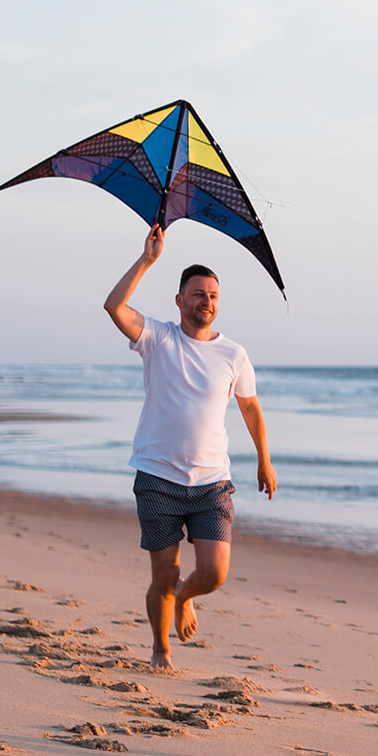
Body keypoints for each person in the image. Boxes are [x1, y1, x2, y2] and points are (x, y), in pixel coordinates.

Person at [105, 224, 277, 672]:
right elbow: (114, 306)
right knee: (162, 574)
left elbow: (251, 408)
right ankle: (160, 650)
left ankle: (185, 597)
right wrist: (147, 260)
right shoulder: (158, 339)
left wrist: (264, 459)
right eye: (198, 294)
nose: (207, 302)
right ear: (180, 300)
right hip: (157, 477)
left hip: (210, 482)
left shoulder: (234, 354)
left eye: (214, 295)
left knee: (214, 573)